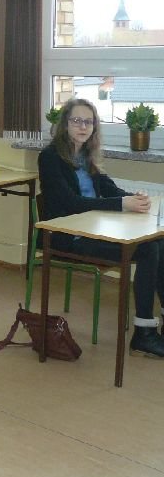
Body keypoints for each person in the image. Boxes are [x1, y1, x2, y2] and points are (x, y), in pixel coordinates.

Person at [38, 98, 164, 357]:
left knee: (159, 242)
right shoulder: (49, 157)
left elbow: (108, 188)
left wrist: (134, 198)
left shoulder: (85, 156)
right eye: (77, 121)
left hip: (91, 231)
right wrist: (121, 204)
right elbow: (70, 203)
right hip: (67, 237)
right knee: (148, 250)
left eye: (89, 122)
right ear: (65, 124)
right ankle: (144, 333)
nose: (83, 127)